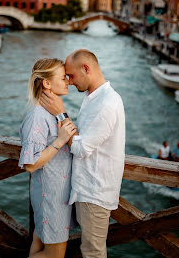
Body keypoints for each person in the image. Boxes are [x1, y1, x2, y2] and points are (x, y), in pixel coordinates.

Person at [40, 49, 125, 258]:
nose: (68, 81)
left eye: (71, 75)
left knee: (92, 253)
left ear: (86, 69)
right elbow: (81, 137)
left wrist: (60, 112)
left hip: (94, 192)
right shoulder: (93, 97)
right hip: (85, 188)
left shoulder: (106, 104)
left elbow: (80, 148)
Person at [18, 58, 77, 258]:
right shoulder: (38, 116)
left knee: (38, 241)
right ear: (47, 83)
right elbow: (30, 164)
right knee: (54, 256)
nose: (68, 81)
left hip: (56, 195)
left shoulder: (51, 113)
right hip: (50, 196)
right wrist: (60, 141)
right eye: (63, 78)